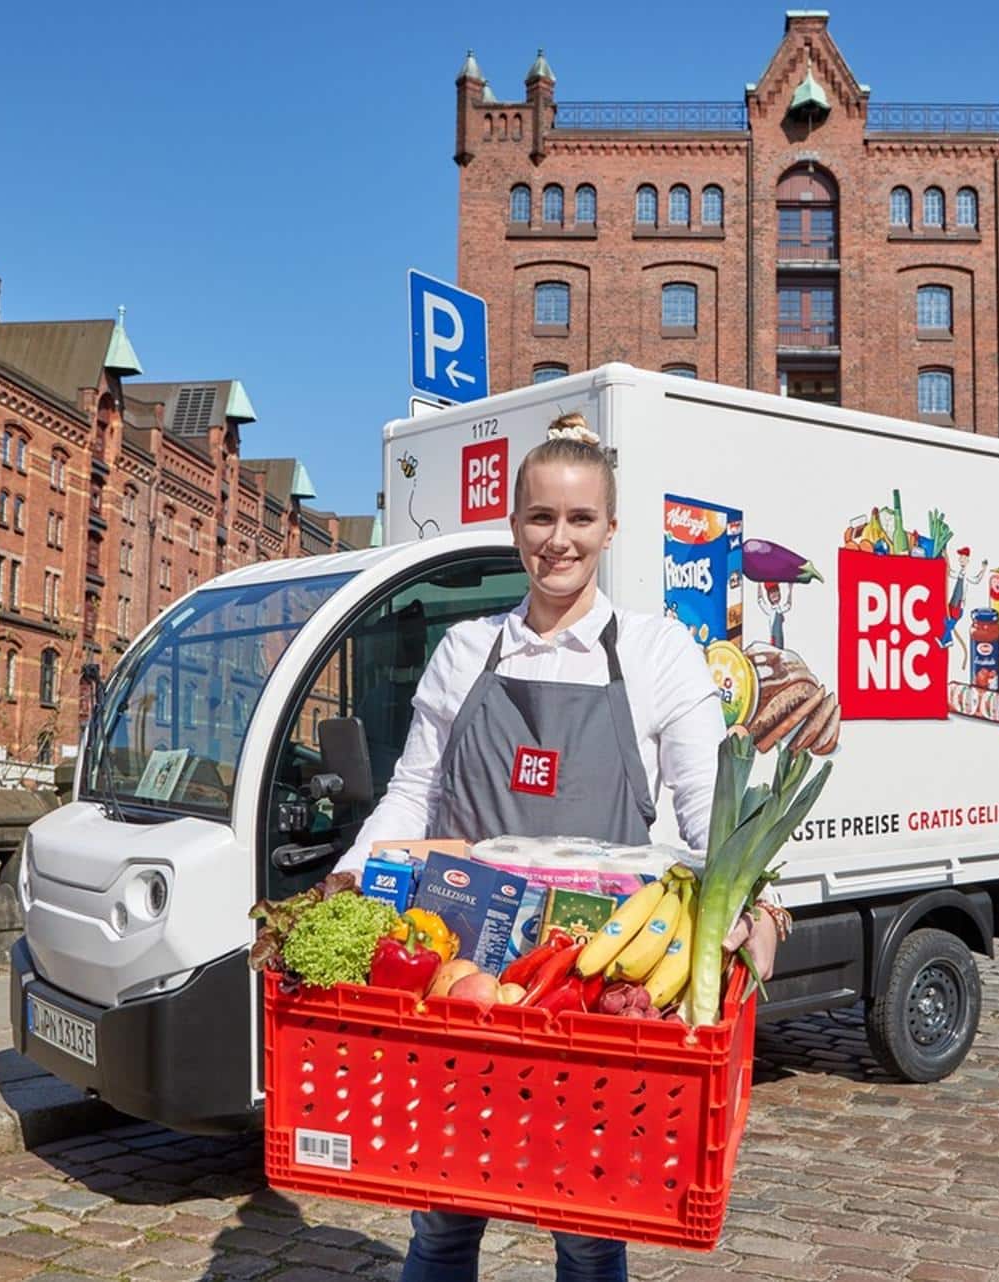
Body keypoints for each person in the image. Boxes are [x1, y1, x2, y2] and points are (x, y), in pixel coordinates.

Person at [336, 411, 728, 1282]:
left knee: (587, 1231)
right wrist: (351, 873)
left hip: (591, 984)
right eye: (541, 518)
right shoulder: (466, 650)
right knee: (442, 1218)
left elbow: (708, 810)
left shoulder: (657, 653)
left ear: (611, 529)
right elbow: (414, 792)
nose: (559, 540)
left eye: (580, 519)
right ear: (514, 525)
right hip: (461, 979)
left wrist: (749, 906)